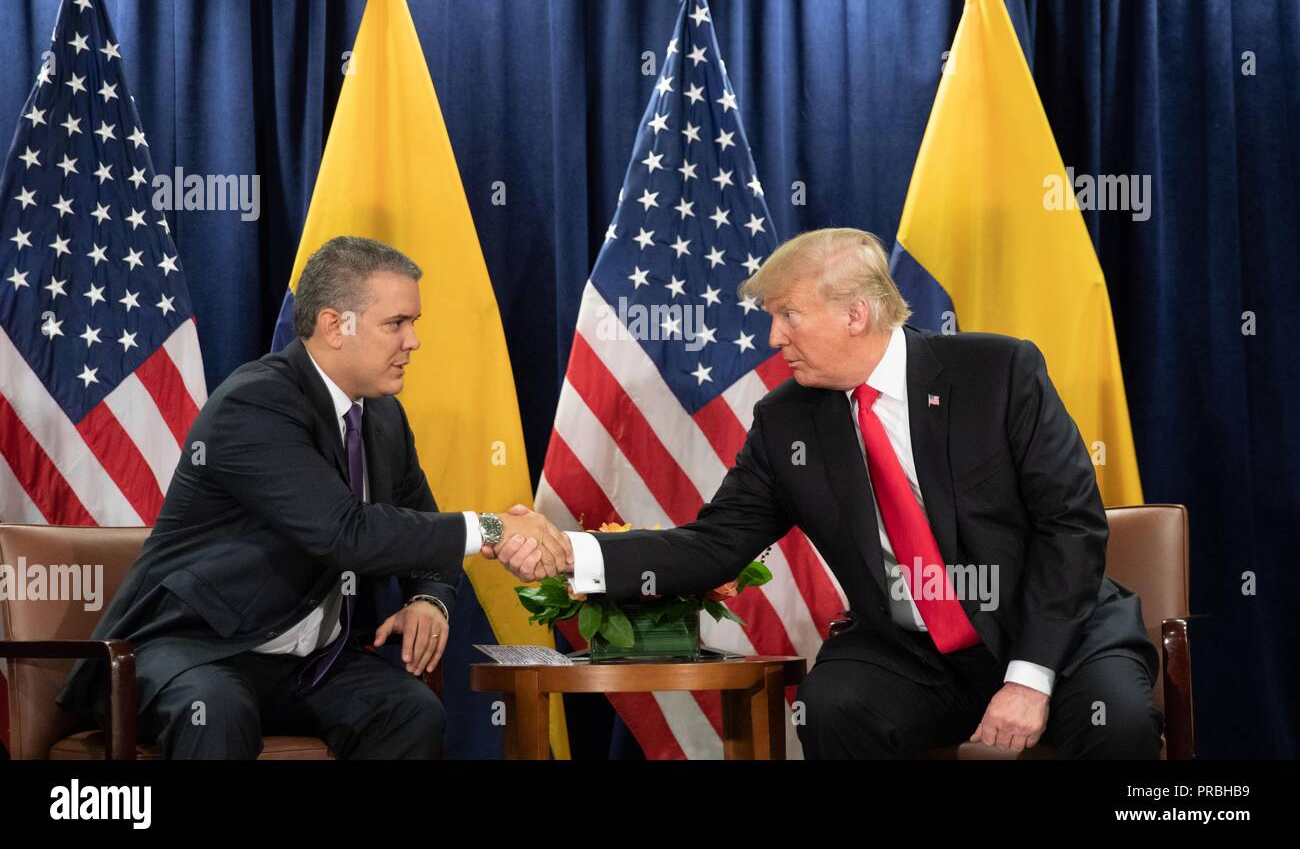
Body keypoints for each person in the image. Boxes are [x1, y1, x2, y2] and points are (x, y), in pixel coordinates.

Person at [491, 228, 1162, 759]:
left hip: (1056, 638)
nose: (773, 337)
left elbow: (1071, 529)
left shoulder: (997, 373)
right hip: (914, 656)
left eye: (788, 315)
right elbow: (713, 545)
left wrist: (1028, 678)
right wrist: (571, 554)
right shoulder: (787, 420)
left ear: (856, 314)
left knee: (1120, 724)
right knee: (831, 708)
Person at [57, 236, 571, 759]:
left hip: (305, 666)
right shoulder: (255, 403)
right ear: (334, 325)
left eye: (413, 323)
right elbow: (344, 533)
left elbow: (423, 528)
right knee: (216, 708)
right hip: (191, 649)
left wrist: (428, 599)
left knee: (409, 711)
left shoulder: (384, 416)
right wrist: (492, 528)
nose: (413, 341)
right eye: (396, 323)